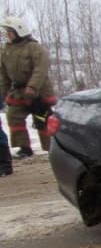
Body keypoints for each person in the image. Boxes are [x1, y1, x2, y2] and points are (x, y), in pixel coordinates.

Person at [0, 15, 57, 158]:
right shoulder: (6, 50)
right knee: (13, 116)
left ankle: (52, 149)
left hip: (38, 92)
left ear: (19, 31)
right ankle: (24, 148)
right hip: (18, 92)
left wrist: (32, 87)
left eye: (10, 32)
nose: (8, 35)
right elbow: (4, 74)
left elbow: (40, 69)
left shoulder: (34, 48)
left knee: (42, 120)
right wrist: (4, 92)